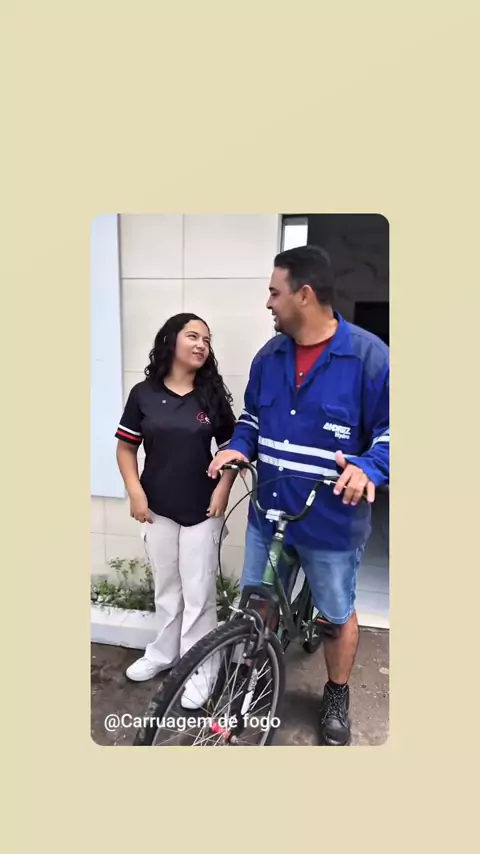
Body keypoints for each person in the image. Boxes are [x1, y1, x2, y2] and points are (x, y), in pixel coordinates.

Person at [208, 245, 389, 746]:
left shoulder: (368, 357)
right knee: (258, 604)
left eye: (274, 292)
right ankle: (248, 683)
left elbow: (393, 431)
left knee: (335, 615)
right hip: (268, 513)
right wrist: (237, 447)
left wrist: (368, 467)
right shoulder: (269, 357)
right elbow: (251, 419)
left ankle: (336, 693)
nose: (268, 302)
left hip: (331, 524)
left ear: (304, 295)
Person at [115, 313, 237, 692]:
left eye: (207, 340)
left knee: (199, 593)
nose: (201, 345)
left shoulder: (212, 396)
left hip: (203, 509)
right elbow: (125, 448)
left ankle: (200, 669)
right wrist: (136, 492)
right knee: (167, 589)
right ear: (171, 340)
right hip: (157, 509)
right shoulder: (144, 394)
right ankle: (163, 653)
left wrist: (223, 489)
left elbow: (232, 450)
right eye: (193, 336)